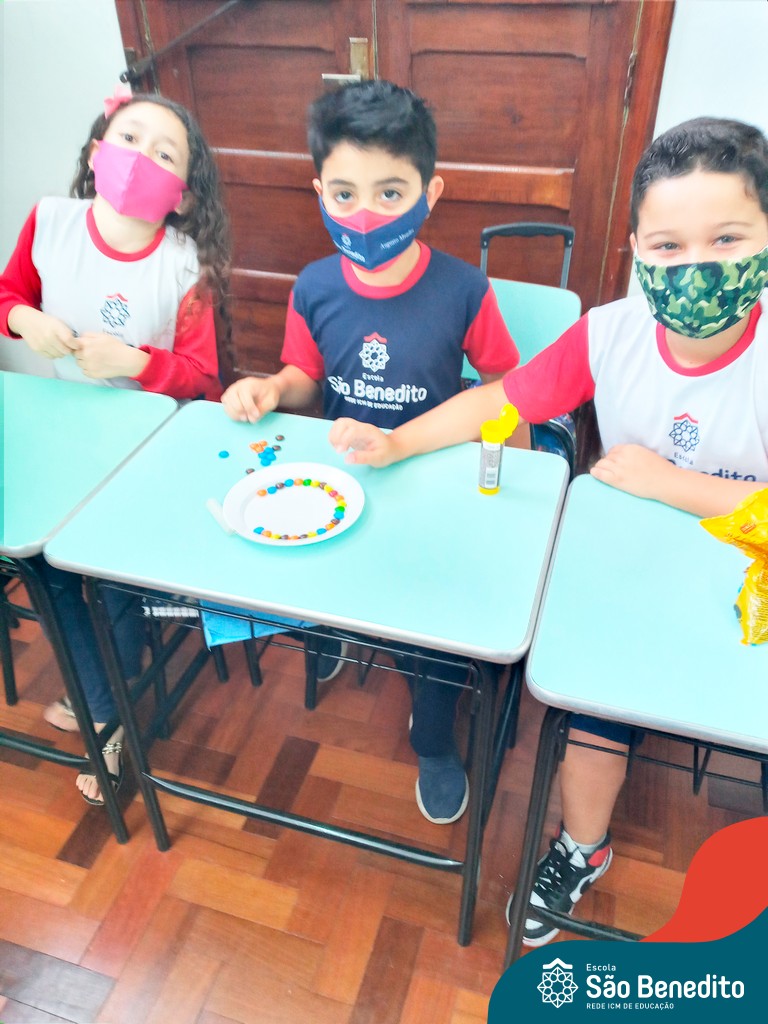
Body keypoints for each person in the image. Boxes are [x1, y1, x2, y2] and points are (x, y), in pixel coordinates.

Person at [327, 116, 768, 942]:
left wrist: (669, 484)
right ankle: (583, 847)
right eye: (668, 246)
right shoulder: (611, 332)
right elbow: (502, 400)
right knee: (594, 707)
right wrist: (399, 442)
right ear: (636, 249)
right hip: (633, 576)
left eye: (727, 238)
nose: (696, 266)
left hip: (751, 591)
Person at [222, 79, 523, 824]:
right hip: (342, 484)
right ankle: (333, 631)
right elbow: (303, 377)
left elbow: (506, 390)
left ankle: (434, 740)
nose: (365, 213)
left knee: (434, 632)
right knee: (314, 575)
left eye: (390, 193)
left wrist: (499, 462)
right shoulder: (314, 286)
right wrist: (269, 388)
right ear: (319, 193)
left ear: (430, 192)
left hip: (431, 485)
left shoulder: (464, 289)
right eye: (345, 193)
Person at [0, 89, 231, 804]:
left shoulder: (185, 265)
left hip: (149, 454)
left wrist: (136, 362)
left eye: (164, 153)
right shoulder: (51, 222)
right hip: (61, 440)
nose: (140, 159)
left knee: (97, 569)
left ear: (182, 192)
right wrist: (25, 320)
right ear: (98, 151)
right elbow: (7, 298)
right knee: (45, 563)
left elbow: (204, 380)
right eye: (128, 139)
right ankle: (110, 702)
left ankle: (111, 701)